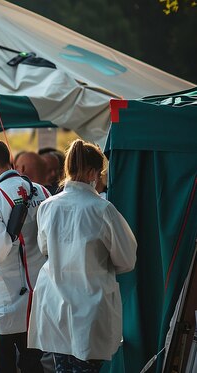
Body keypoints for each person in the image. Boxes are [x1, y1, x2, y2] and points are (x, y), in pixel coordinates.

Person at [28, 140, 137, 372]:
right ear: (91, 172)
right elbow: (127, 259)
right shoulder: (102, 209)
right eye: (99, 173)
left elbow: (45, 248)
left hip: (54, 302)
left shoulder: (48, 207)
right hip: (90, 305)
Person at [0, 138, 51, 373]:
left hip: (2, 303)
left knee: (2, 367)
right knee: (32, 366)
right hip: (36, 300)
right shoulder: (42, 191)